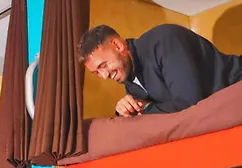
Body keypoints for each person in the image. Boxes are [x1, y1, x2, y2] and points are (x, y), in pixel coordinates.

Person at [78, 24, 242, 117]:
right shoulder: (131, 81)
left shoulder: (164, 40)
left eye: (103, 65)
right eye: (97, 72)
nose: (104, 75)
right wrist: (125, 109)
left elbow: (188, 103)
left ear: (118, 45)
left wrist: (145, 108)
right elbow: (153, 112)